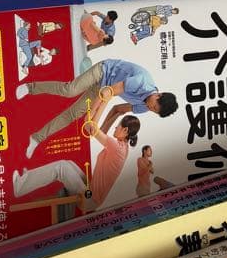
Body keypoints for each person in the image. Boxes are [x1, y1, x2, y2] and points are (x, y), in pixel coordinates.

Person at [15, 57, 178, 159]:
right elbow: (109, 92)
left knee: (73, 115)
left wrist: (102, 131)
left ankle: (36, 138)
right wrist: (93, 119)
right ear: (158, 95)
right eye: (154, 105)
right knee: (70, 90)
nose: (150, 108)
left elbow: (118, 109)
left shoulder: (144, 108)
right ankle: (30, 87)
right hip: (103, 72)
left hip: (103, 88)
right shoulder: (141, 82)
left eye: (154, 111)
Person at [12, 115, 140, 211]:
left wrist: (103, 98)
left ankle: (20, 186)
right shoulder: (123, 147)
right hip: (91, 191)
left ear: (125, 130)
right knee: (68, 163)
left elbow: (90, 126)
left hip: (89, 200)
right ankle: (29, 177)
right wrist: (114, 109)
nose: (116, 127)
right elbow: (100, 128)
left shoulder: (116, 147)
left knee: (61, 167)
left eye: (118, 125)